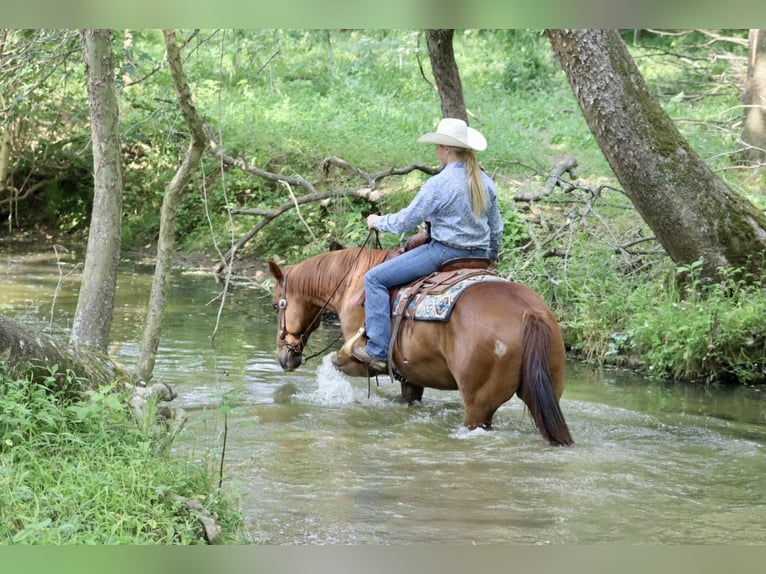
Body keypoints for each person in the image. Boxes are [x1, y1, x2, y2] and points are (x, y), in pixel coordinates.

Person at [352, 117, 504, 374]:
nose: (436, 150)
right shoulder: (485, 182)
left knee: (375, 278)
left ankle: (377, 350)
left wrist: (378, 221)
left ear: (445, 149)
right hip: (479, 256)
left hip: (444, 252)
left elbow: (405, 221)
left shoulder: (439, 184)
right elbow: (496, 228)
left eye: (437, 146)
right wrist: (490, 257)